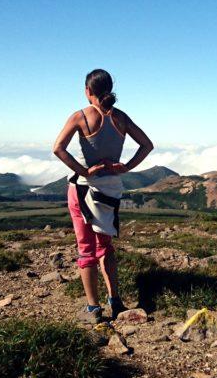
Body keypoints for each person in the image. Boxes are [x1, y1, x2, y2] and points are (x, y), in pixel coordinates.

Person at [52, 68, 154, 322]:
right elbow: (147, 145)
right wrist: (126, 167)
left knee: (86, 249)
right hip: (110, 190)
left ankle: (93, 308)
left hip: (84, 189)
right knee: (105, 246)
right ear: (109, 89)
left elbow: (58, 149)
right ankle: (115, 300)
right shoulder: (121, 118)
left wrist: (84, 170)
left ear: (88, 91)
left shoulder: (80, 117)